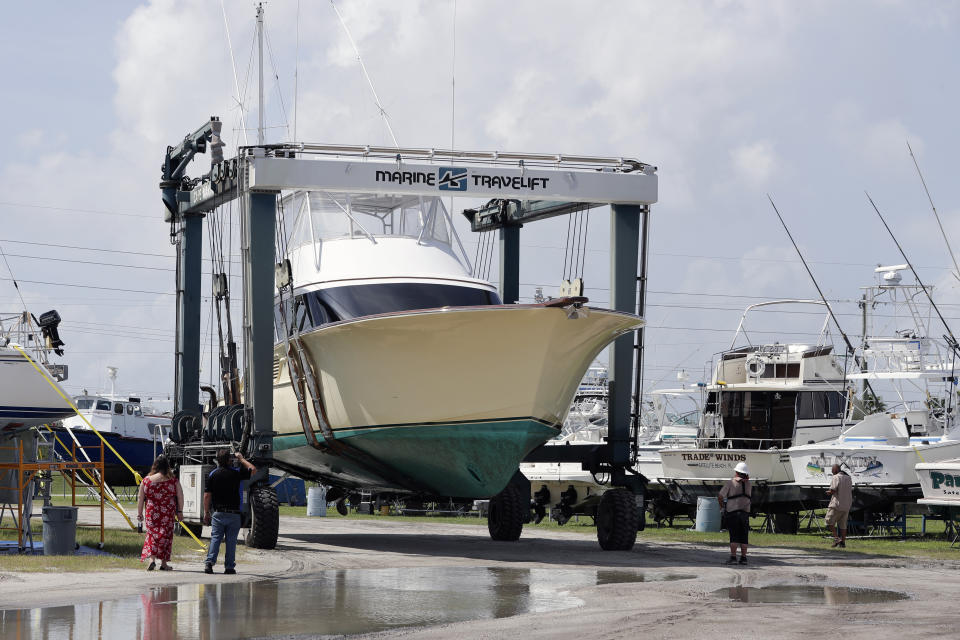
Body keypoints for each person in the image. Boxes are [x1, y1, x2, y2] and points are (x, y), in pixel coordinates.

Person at [204, 448, 257, 575]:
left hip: (218, 513)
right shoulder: (236, 473)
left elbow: (207, 495)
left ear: (218, 460)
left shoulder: (213, 474)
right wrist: (241, 458)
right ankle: (229, 567)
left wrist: (206, 512)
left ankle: (209, 564)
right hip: (234, 514)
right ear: (229, 460)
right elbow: (253, 470)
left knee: (216, 538)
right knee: (231, 541)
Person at [138, 455, 184, 571]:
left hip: (152, 511)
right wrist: (180, 511)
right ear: (167, 466)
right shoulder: (173, 480)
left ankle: (152, 560)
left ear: (155, 466)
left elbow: (140, 498)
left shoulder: (147, 480)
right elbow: (180, 496)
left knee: (152, 535)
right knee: (166, 536)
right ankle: (164, 563)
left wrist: (140, 513)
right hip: (167, 512)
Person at [718, 461, 752, 565]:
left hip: (732, 512)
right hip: (745, 514)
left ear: (737, 472)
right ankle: (744, 558)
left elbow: (720, 496)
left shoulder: (731, 482)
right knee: (744, 536)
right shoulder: (749, 484)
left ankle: (733, 557)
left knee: (734, 536)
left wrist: (722, 507)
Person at [826, 463, 853, 548]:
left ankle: (837, 538)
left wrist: (828, 492)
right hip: (847, 504)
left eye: (832, 470)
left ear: (836, 470)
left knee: (829, 521)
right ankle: (843, 543)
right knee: (843, 525)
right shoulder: (848, 478)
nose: (832, 472)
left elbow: (833, 490)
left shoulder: (836, 477)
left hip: (837, 504)